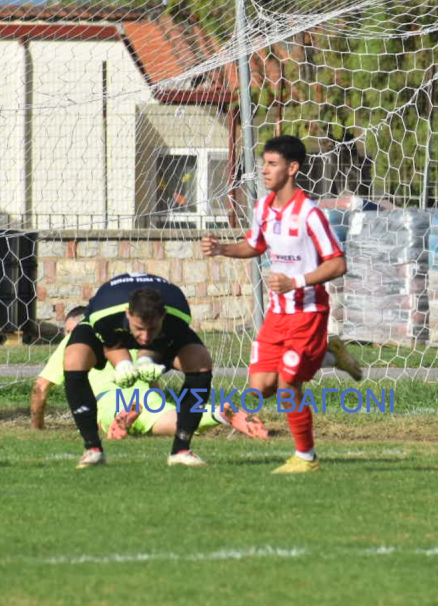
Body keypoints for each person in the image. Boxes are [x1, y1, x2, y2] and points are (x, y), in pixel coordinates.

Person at [201, 134, 361, 474]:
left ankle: (306, 457)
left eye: (272, 164)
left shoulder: (310, 214)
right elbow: (255, 245)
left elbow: (338, 263)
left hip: (307, 311)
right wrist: (222, 249)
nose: (265, 170)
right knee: (260, 389)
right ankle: (329, 355)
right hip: (277, 315)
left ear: (292, 168)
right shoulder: (263, 208)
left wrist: (295, 282)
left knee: (289, 384)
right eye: (263, 164)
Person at [31, 306, 268, 441]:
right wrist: (157, 398)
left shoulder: (74, 345)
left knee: (134, 424)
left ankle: (121, 421)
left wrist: (37, 427)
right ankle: (219, 413)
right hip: (147, 396)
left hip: (108, 400)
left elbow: (40, 388)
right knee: (172, 417)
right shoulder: (126, 337)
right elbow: (150, 376)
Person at [62, 272, 224, 469]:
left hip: (162, 324)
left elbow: (159, 343)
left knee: (200, 362)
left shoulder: (178, 315)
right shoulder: (104, 315)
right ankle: (93, 449)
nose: (145, 336)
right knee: (74, 359)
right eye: (139, 328)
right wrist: (123, 365)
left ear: (162, 316)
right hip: (104, 324)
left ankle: (181, 450)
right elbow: (112, 345)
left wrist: (146, 360)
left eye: (152, 329)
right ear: (128, 314)